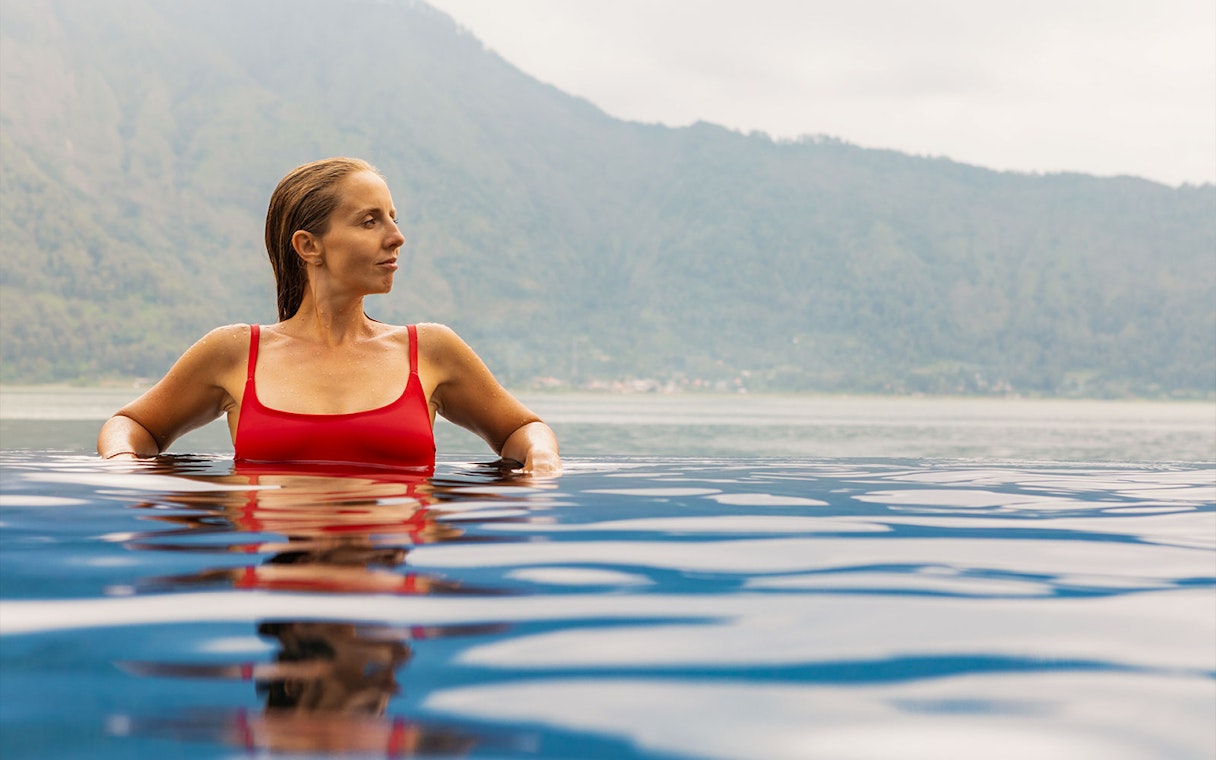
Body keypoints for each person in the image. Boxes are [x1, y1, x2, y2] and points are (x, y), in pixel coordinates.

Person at [97, 157, 561, 475]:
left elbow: (521, 430)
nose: (397, 237)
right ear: (308, 245)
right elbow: (132, 426)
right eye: (370, 221)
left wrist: (540, 456)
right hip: (282, 585)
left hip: (392, 594)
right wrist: (121, 463)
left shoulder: (432, 350)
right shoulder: (234, 353)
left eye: (394, 218)